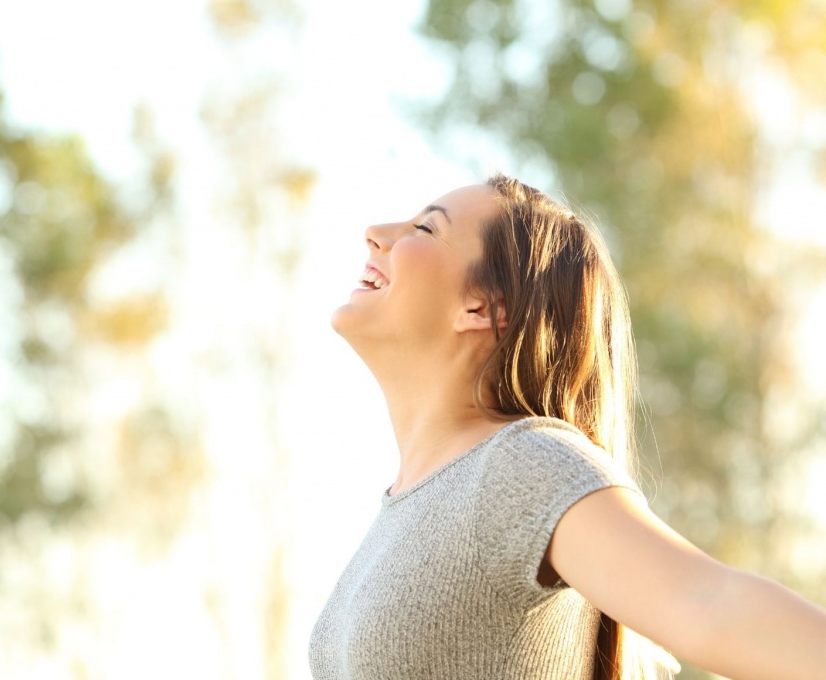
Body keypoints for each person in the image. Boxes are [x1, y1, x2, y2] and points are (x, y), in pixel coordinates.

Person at [308, 173, 826, 680]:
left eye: (425, 230)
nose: (376, 231)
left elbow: (707, 603)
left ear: (483, 306)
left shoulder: (518, 466)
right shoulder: (402, 508)